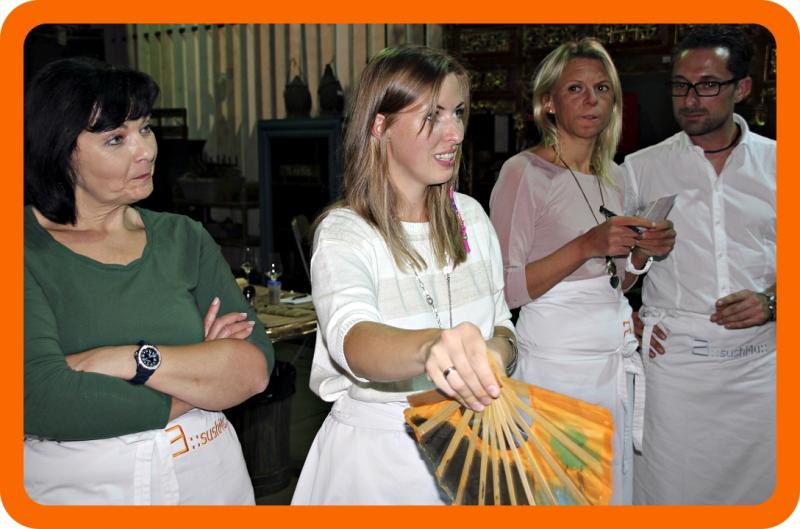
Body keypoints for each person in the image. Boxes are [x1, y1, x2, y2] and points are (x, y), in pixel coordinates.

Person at [24, 57, 274, 505]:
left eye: (145, 128)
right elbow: (42, 399)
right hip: (84, 491)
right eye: (116, 138)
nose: (146, 151)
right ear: (59, 150)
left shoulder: (183, 237)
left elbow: (254, 368)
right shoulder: (22, 249)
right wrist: (200, 379)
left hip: (209, 478)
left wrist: (126, 359)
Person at [291, 45, 517, 505]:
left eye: (458, 113)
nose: (455, 133)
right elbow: (353, 340)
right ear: (381, 126)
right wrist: (433, 348)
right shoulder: (346, 232)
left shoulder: (471, 218)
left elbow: (504, 326)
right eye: (433, 116)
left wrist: (494, 354)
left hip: (473, 447)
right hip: (381, 465)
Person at [489, 38, 675, 505]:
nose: (592, 100)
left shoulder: (615, 175)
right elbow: (505, 289)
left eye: (602, 88)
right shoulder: (523, 172)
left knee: (607, 495)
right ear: (549, 102)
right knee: (560, 497)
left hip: (609, 357)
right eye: (576, 88)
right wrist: (586, 245)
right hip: (555, 366)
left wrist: (641, 255)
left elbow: (615, 280)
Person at [623, 25, 775, 505]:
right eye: (680, 85)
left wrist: (773, 301)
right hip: (677, 365)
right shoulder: (641, 168)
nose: (690, 99)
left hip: (763, 364)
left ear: (741, 88)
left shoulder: (781, 164)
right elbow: (610, 270)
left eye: (708, 85)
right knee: (670, 493)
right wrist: (623, 313)